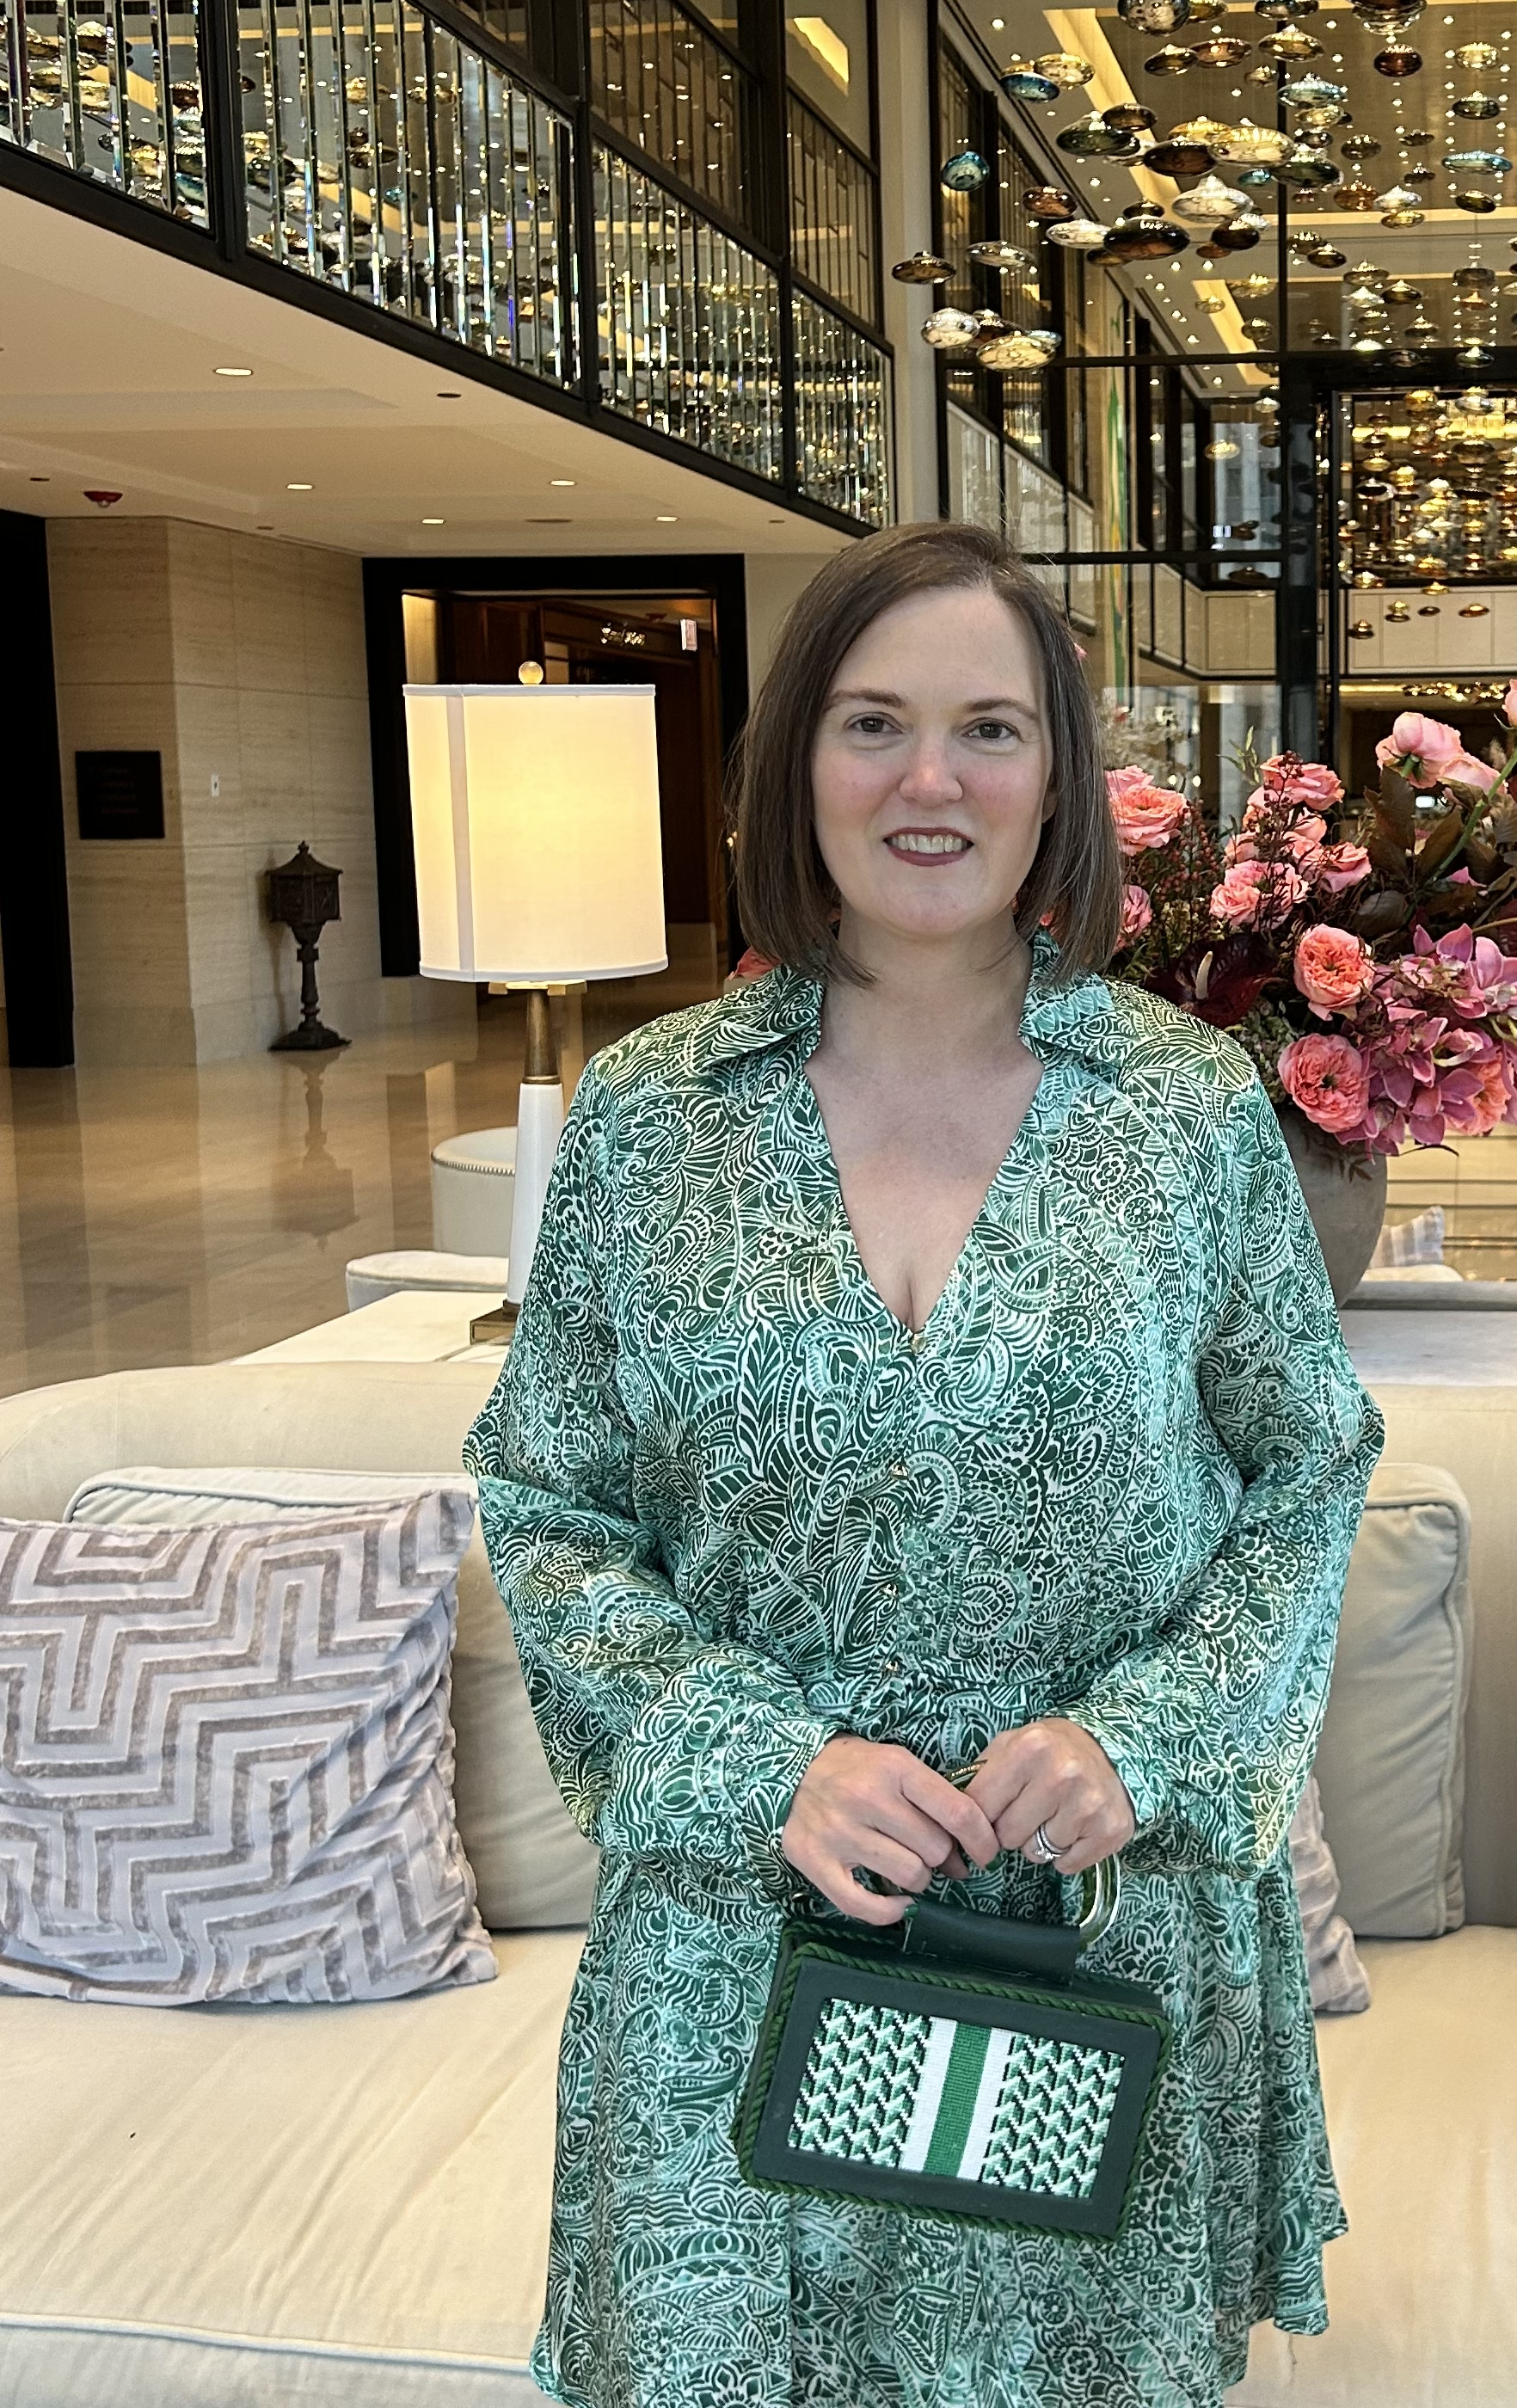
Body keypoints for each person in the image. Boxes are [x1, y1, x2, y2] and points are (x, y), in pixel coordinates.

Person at [464, 519, 1385, 2408]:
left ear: (1058, 778)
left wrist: (1151, 1736)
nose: (929, 780)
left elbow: (1310, 1463)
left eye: (988, 729)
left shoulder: (1189, 1109)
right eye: (873, 723)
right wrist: (761, 1763)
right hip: (740, 1937)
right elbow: (552, 1505)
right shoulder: (650, 1119)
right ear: (793, 758)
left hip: (1086, 1938)